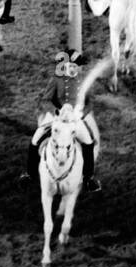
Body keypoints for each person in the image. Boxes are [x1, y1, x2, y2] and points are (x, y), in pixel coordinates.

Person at [19, 49, 101, 191]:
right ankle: (30, 174)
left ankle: (89, 178)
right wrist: (56, 111)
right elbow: (45, 100)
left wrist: (81, 114)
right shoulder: (57, 79)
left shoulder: (83, 81)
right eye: (71, 66)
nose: (73, 69)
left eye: (76, 67)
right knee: (35, 139)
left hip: (74, 117)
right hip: (56, 115)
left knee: (88, 142)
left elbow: (90, 103)